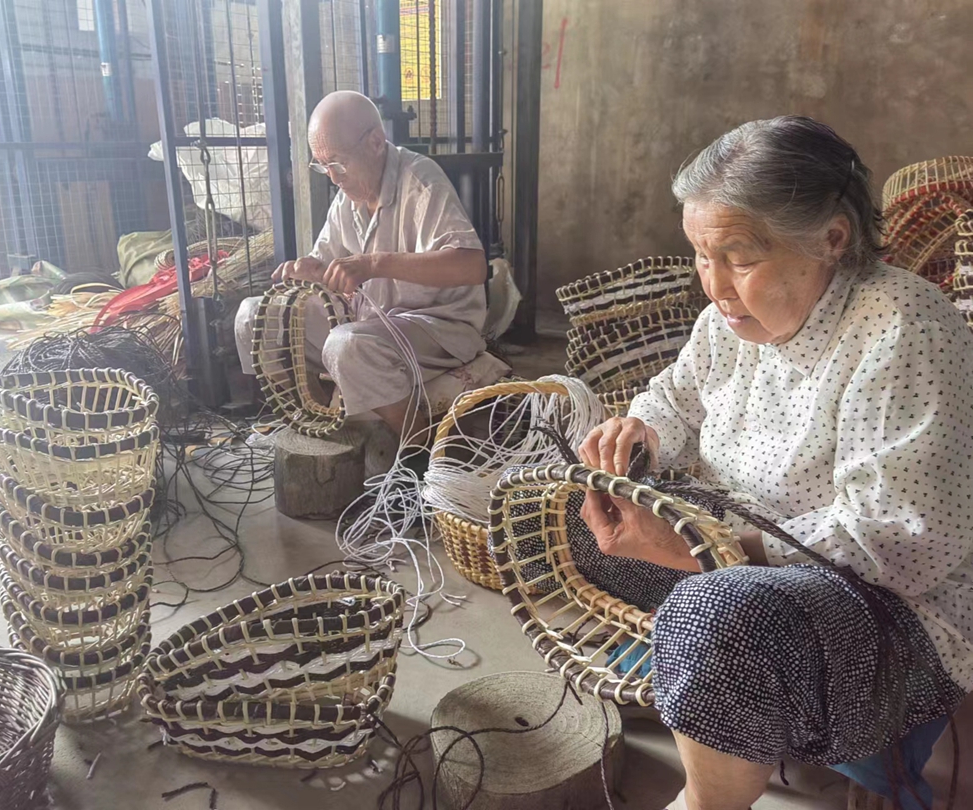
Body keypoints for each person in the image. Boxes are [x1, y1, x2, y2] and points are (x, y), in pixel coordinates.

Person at [575, 117, 972, 810]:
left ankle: (728, 774)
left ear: (832, 239)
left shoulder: (904, 331)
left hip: (888, 601)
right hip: (744, 554)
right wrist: (638, 437)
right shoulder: (729, 320)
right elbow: (676, 395)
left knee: (714, 615)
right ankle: (718, 690)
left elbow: (896, 542)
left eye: (739, 257)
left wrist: (710, 553)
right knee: (584, 524)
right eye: (701, 256)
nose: (715, 286)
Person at [235, 91, 487, 440]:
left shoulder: (421, 181)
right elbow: (333, 266)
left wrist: (375, 264)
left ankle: (421, 448)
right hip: (371, 321)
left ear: (375, 142)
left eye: (338, 163)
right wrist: (313, 271)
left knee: (347, 345)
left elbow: (471, 266)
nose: (333, 177)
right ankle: (313, 420)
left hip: (438, 325)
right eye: (322, 165)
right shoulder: (347, 197)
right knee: (255, 315)